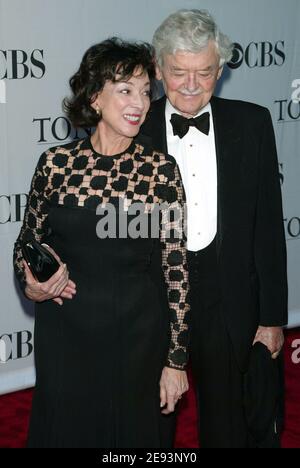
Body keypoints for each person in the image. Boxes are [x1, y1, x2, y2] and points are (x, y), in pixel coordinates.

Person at [13, 37, 190, 448]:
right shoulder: (56, 165)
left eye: (146, 91)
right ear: (95, 98)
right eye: (125, 90)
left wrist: (176, 361)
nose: (140, 102)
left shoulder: (160, 172)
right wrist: (32, 284)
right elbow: (26, 243)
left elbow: (176, 271)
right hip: (66, 337)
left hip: (138, 341)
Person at [141, 9, 288, 448]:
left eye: (204, 72)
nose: (190, 84)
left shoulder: (253, 123)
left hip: (228, 303)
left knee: (230, 430)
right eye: (179, 72)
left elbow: (268, 229)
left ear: (220, 71)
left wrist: (272, 318)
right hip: (153, 305)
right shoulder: (133, 129)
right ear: (158, 70)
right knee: (150, 427)